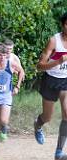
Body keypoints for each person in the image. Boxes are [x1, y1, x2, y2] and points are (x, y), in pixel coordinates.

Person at [34, 12, 67, 160]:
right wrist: (57, 62)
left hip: (65, 81)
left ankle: (59, 151)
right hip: (51, 80)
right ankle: (38, 125)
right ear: (63, 25)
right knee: (47, 117)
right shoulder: (54, 41)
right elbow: (39, 66)